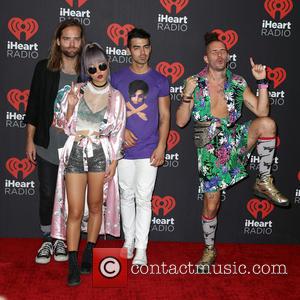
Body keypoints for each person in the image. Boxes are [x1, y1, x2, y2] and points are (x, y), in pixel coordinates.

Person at [176, 32, 289, 273]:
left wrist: (261, 82)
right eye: (214, 52)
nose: (219, 55)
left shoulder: (237, 82)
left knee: (267, 124)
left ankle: (264, 180)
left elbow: (261, 111)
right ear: (206, 58)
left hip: (234, 138)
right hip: (209, 147)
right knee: (211, 204)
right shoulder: (194, 82)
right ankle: (209, 248)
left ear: (228, 55)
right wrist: (186, 95)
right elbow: (181, 121)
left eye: (223, 51)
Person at [50, 42, 126, 286]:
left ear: (108, 65)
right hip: (75, 152)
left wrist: (113, 160)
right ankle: (72, 262)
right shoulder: (77, 90)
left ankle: (89, 251)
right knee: (74, 210)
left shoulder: (116, 98)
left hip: (100, 154)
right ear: (86, 70)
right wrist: (71, 105)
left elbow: (118, 132)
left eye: (102, 66)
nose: (98, 72)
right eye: (92, 68)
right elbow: (62, 124)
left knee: (95, 206)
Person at [24, 19, 85, 264]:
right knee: (48, 193)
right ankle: (47, 238)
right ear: (58, 41)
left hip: (77, 148)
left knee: (72, 198)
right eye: (67, 38)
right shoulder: (44, 69)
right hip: (48, 144)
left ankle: (62, 239)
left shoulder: (88, 72)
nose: (71, 43)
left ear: (82, 41)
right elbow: (34, 108)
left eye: (76, 38)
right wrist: (30, 140)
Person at [111, 28, 170, 266]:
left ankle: (142, 248)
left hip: (149, 148)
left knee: (144, 198)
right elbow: (110, 111)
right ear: (128, 50)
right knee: (126, 195)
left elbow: (165, 116)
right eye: (136, 47)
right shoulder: (116, 78)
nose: (142, 52)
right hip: (123, 149)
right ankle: (128, 242)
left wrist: (162, 145)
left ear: (150, 48)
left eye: (145, 46)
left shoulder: (160, 80)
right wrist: (121, 129)